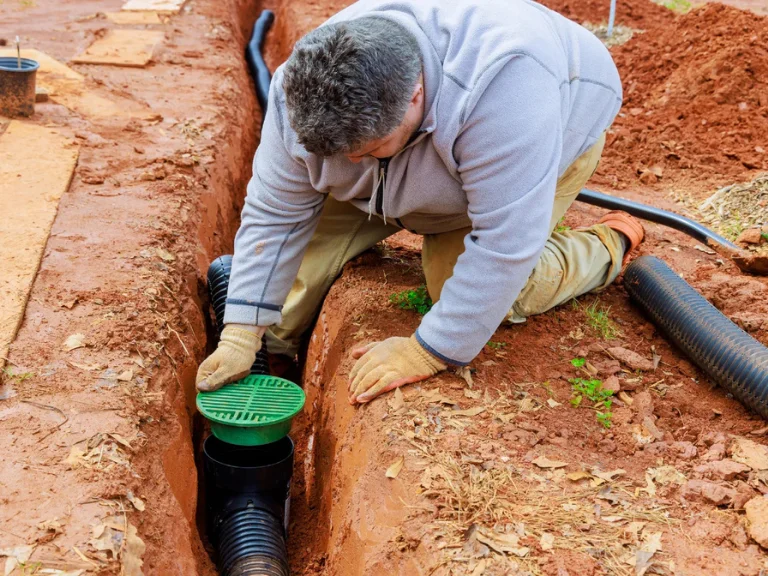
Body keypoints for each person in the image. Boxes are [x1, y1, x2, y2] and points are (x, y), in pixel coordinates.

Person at [195, 0, 644, 405]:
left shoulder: (506, 91)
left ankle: (607, 245)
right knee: (291, 289)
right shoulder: (301, 87)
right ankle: (276, 358)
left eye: (367, 150)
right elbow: (276, 214)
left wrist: (428, 351)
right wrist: (240, 334)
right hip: (406, 163)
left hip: (543, 136)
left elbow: (505, 245)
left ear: (415, 96)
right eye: (337, 156)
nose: (351, 163)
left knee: (480, 289)